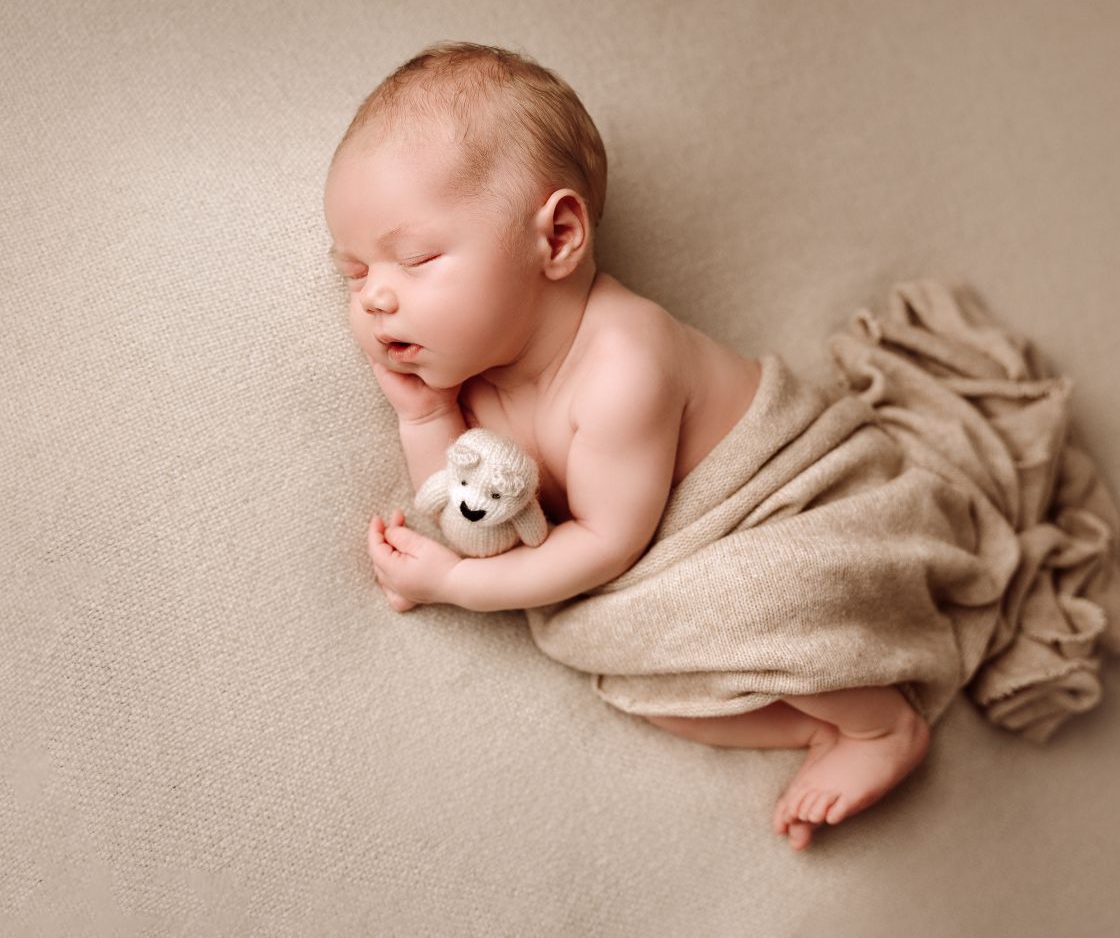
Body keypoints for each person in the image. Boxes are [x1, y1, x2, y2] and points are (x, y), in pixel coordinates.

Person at [323, 41, 930, 852]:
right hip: (661, 552)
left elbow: (606, 545)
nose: (377, 298)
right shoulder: (475, 366)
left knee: (759, 600)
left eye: (417, 257)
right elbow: (472, 515)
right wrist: (425, 418)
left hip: (788, 501)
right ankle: (807, 725)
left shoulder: (623, 365)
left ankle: (879, 725)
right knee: (635, 679)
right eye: (353, 274)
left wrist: (457, 587)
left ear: (559, 237)